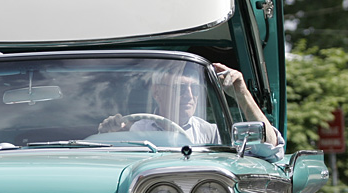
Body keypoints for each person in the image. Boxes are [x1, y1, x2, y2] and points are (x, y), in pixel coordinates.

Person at [98, 62, 284, 160]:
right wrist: (109, 136)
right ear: (157, 92)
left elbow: (271, 150)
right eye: (179, 88)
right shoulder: (134, 131)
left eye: (195, 89)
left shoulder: (211, 133)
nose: (189, 95)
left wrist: (241, 93)